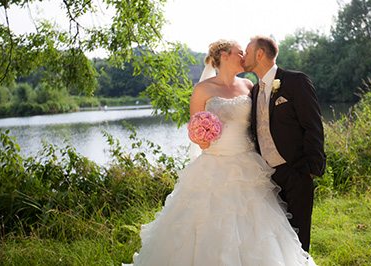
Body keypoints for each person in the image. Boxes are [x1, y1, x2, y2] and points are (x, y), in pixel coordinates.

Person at [123, 39, 316, 265]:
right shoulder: (203, 89)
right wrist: (203, 135)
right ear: (225, 56)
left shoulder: (249, 86)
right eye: (238, 53)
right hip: (213, 164)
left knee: (258, 225)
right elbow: (194, 131)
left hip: (248, 165)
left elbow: (263, 121)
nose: (243, 57)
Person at [242, 35, 326, 252]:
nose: (243, 56)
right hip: (266, 178)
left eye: (247, 51)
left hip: (297, 172)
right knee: (276, 240)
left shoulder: (295, 81)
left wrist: (309, 170)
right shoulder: (254, 90)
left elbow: (313, 126)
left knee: (299, 240)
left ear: (260, 54)